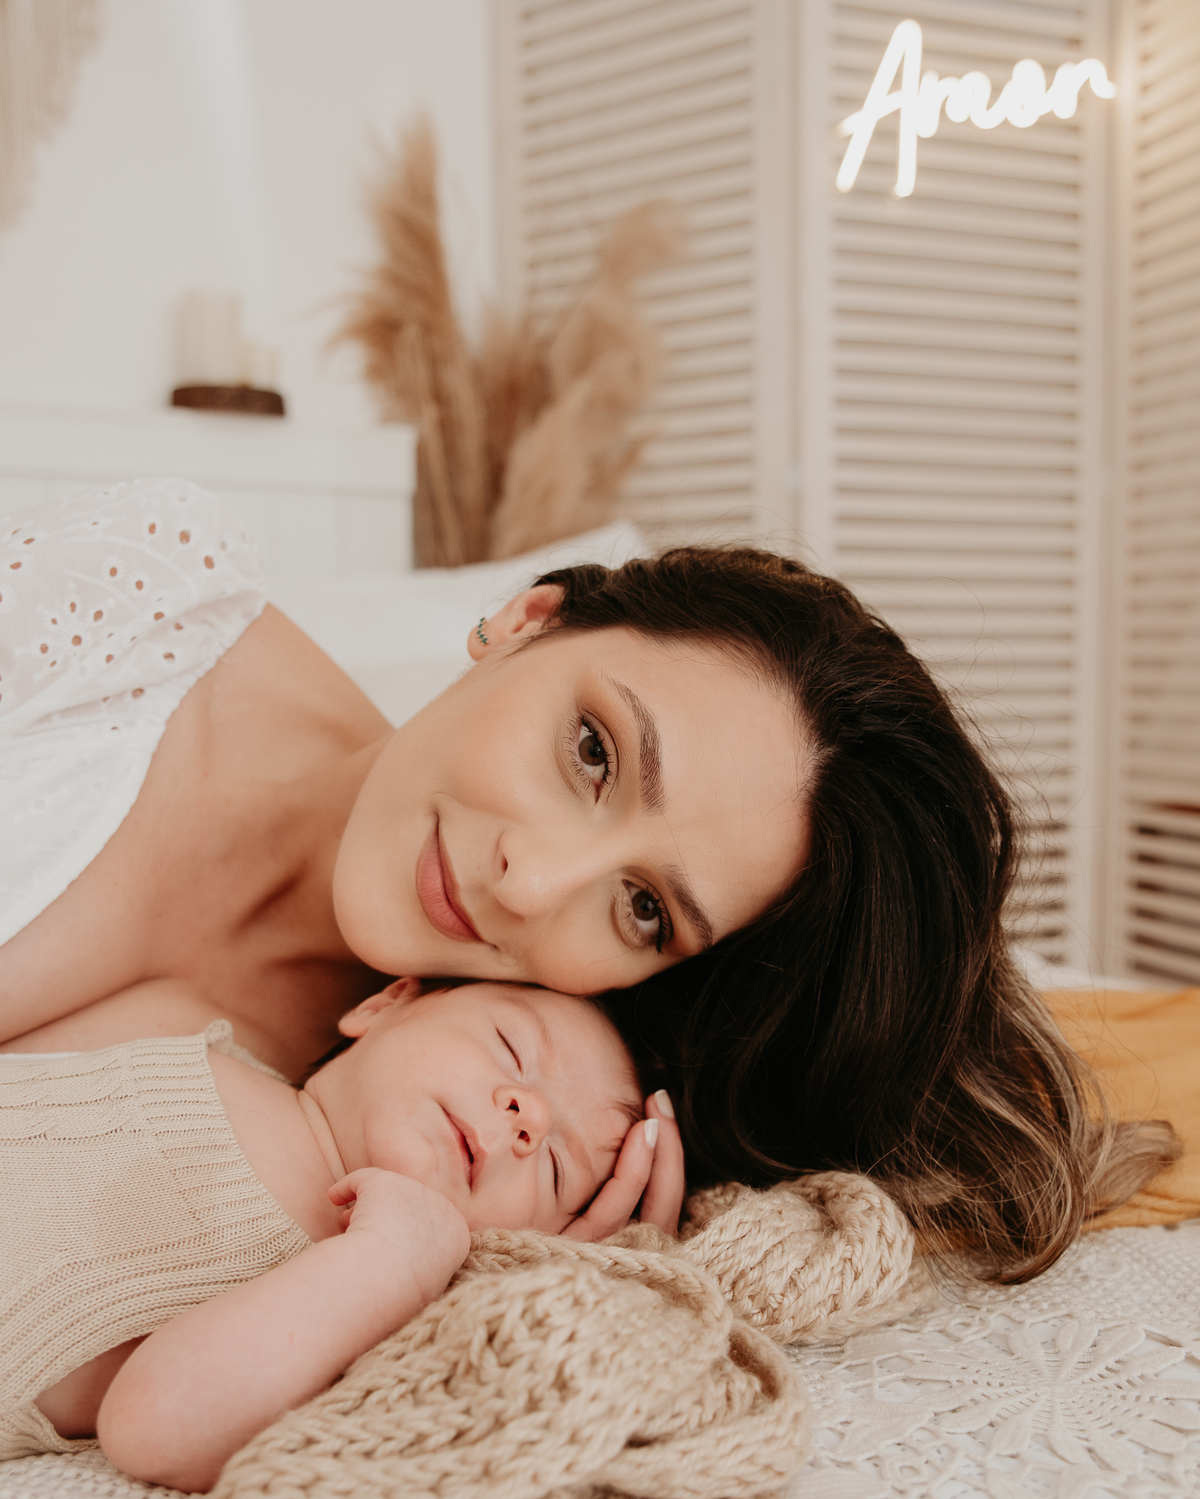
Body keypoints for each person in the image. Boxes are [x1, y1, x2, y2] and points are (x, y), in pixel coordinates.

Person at [0, 479, 1174, 1290]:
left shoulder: (424, 1126)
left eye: (646, 909)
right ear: (524, 621)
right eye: (594, 753)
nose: (532, 879)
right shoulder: (144, 605)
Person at [0, 975, 680, 1491]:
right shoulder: (183, 1023)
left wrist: (400, 1258)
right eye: (509, 1046)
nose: (525, 1114)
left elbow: (154, 1422)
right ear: (383, 1005)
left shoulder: (350, 1298)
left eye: (558, 1168)